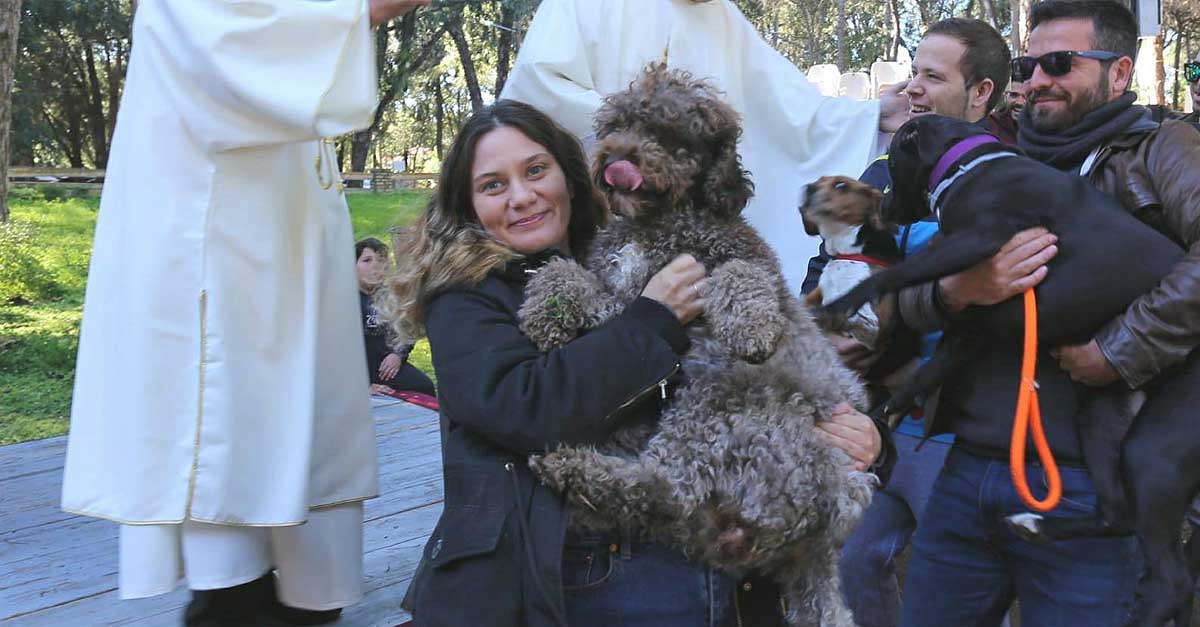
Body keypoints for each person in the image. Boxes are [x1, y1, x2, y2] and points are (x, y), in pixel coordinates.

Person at [383, 100, 890, 627]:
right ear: (468, 204)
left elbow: (762, 356)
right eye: (493, 185)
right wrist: (653, 318)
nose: (521, 196)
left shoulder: (635, 247)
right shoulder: (467, 296)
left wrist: (858, 433)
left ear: (571, 176)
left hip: (720, 550)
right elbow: (520, 407)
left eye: (536, 170)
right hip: (587, 566)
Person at [59, 1, 431, 625]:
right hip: (226, 246)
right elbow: (224, 45)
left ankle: (298, 590)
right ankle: (234, 593)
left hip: (286, 235)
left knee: (305, 453)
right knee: (233, 457)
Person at [898, 2, 1200, 625]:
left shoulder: (1161, 148)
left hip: (1092, 488)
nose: (1036, 79)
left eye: (1059, 63)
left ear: (1119, 74)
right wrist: (956, 291)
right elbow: (900, 289)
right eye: (1028, 64)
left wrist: (1118, 351)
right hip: (965, 468)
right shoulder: (980, 151)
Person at [801, 18, 1013, 627]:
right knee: (853, 565)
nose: (913, 88)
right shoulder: (879, 177)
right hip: (870, 422)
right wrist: (830, 333)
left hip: (959, 432)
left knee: (962, 591)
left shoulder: (1004, 178)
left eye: (932, 76)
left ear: (981, 95)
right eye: (913, 71)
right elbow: (822, 270)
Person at [499, 0, 912, 292]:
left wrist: (871, 116)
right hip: (607, 220)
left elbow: (793, 110)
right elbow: (539, 88)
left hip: (701, 235)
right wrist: (633, 137)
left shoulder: (724, 17)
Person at [355, 237, 435, 397]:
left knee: (424, 386)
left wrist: (398, 355)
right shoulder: (344, 301)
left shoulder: (392, 297)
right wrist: (362, 386)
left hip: (387, 368)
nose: (375, 267)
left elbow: (408, 330)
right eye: (367, 260)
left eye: (381, 261)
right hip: (355, 373)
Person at [987, 79, 1027, 145]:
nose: (1020, 102)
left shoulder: (1035, 128)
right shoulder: (991, 123)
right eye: (1014, 95)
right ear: (1004, 97)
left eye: (1025, 97)